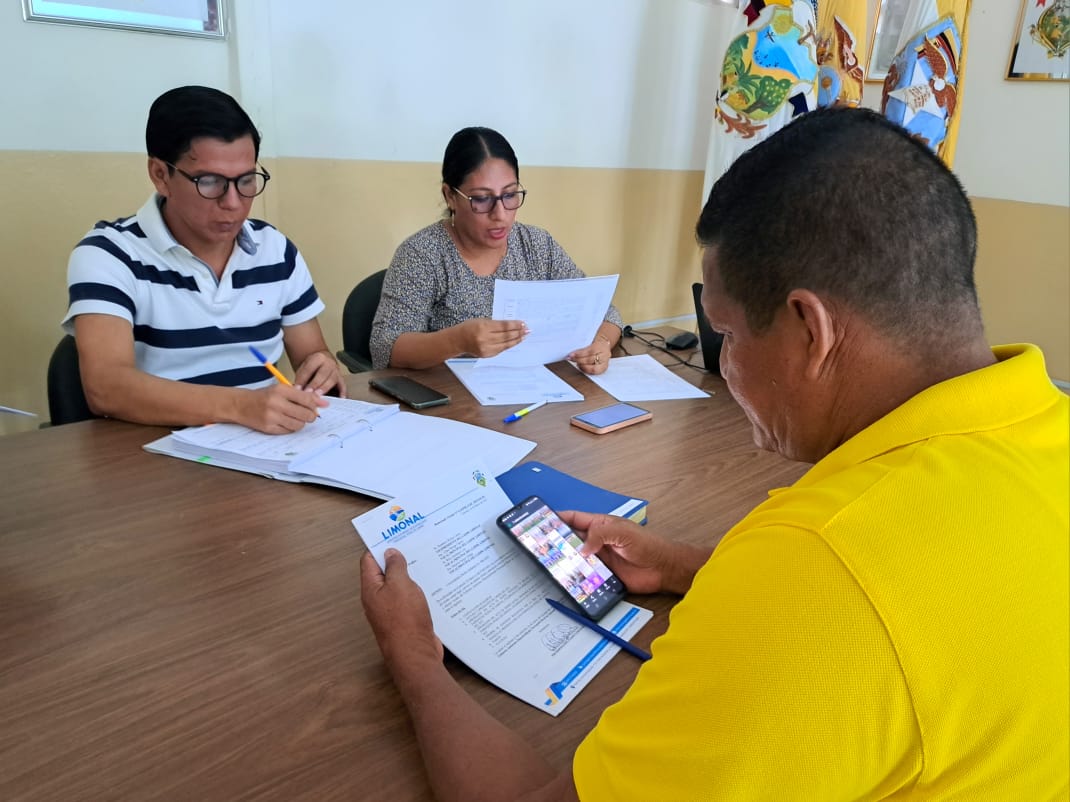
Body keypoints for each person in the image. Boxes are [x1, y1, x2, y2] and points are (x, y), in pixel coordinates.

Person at [360, 107, 1069, 800]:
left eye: (724, 334)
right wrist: (681, 565)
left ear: (811, 331)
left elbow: (831, 593)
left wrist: (416, 661)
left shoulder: (817, 565)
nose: (721, 363)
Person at [63, 86, 345, 433]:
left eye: (246, 180)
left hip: (266, 446)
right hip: (154, 450)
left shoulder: (275, 249)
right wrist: (240, 406)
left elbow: (312, 354)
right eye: (210, 182)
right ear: (160, 175)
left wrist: (321, 366)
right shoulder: (110, 254)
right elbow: (107, 388)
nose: (233, 203)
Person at [369, 126, 623, 373]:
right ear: (450, 196)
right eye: (482, 199)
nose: (500, 215)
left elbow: (606, 314)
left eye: (510, 195)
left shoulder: (536, 245)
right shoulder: (423, 254)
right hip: (451, 395)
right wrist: (457, 340)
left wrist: (600, 345)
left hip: (536, 387)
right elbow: (385, 347)